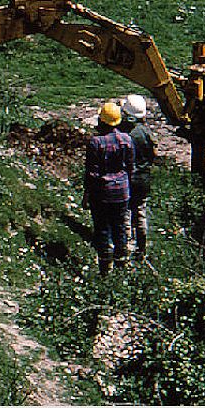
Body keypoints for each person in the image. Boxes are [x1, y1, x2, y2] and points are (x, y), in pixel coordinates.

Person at [84, 101, 135, 277]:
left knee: (103, 230)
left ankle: (105, 270)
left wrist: (87, 194)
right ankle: (122, 268)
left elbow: (91, 173)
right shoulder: (127, 140)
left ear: (102, 121)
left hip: (102, 193)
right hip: (122, 192)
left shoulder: (95, 143)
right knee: (120, 228)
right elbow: (130, 167)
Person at [120, 94, 157, 264]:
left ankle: (126, 251)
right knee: (140, 213)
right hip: (144, 179)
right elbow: (152, 156)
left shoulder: (126, 135)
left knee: (126, 214)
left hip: (129, 179)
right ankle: (142, 250)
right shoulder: (146, 133)